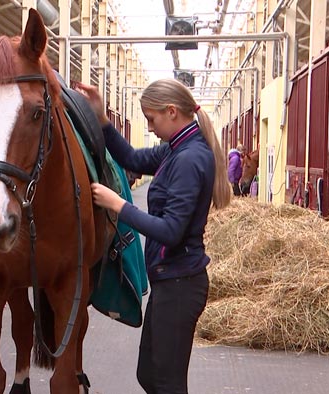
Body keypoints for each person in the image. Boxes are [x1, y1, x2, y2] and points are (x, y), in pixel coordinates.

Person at [75, 79, 231, 394]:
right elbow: (132, 158)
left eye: (152, 119)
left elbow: (171, 231)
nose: (150, 126)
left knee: (167, 384)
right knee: (149, 375)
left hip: (180, 284)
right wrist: (102, 120)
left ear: (172, 112)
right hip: (169, 282)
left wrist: (118, 205)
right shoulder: (177, 149)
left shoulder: (189, 159)